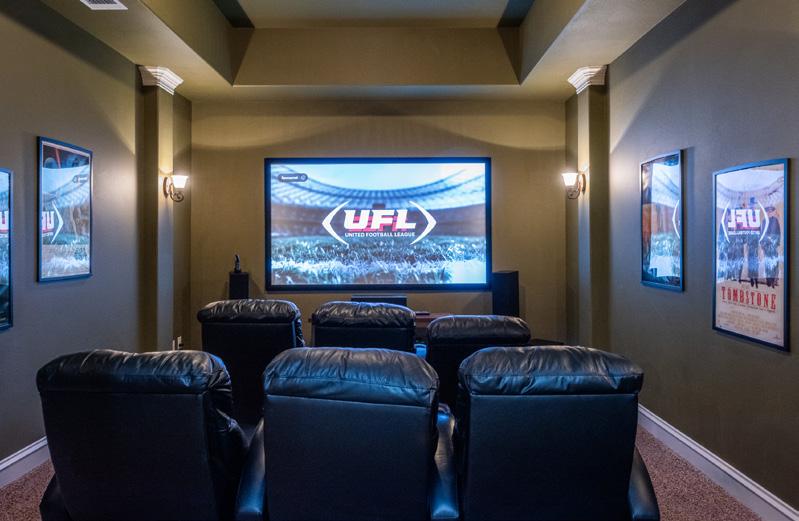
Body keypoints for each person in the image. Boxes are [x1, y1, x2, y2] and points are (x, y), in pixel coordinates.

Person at [762, 206, 781, 288]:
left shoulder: (775, 220)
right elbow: (762, 234)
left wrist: (775, 243)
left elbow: (778, 233)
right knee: (767, 264)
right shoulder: (763, 221)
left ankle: (774, 281)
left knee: (774, 264)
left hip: (773, 246)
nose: (769, 212)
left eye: (770, 211)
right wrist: (763, 244)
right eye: (767, 211)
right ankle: (769, 281)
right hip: (766, 246)